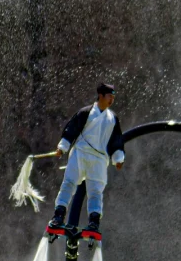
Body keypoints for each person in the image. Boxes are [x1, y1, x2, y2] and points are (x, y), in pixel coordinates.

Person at [46, 82, 124, 242]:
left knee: (95, 192)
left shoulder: (113, 119)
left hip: (99, 159)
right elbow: (71, 130)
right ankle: (58, 216)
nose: (111, 100)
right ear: (101, 96)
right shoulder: (86, 113)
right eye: (109, 96)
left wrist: (118, 157)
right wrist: (63, 146)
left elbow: (116, 140)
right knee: (68, 184)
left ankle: (94, 223)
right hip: (80, 154)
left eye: (113, 97)